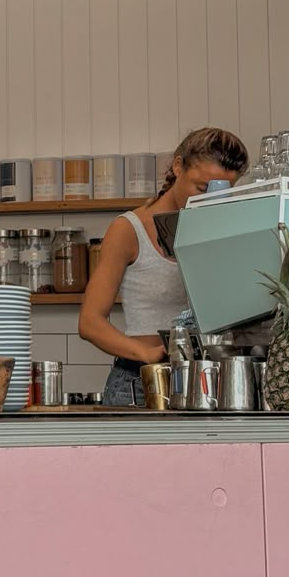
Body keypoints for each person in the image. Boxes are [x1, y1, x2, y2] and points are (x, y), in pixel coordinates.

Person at [78, 128, 249, 406]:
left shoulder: (218, 231)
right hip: (139, 382)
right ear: (178, 166)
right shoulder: (128, 229)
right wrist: (146, 354)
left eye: (221, 192)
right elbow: (90, 323)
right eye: (202, 188)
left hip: (203, 382)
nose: (208, 200)